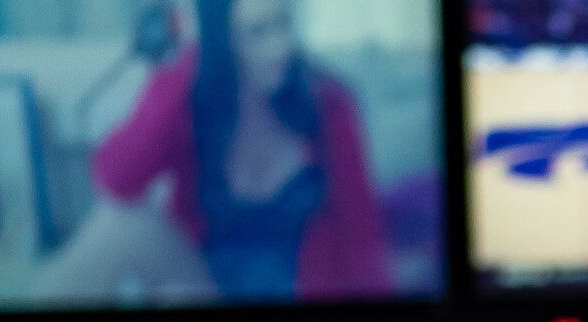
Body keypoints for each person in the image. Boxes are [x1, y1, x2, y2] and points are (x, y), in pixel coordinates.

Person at [35, 0, 390, 305]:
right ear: (222, 39)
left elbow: (361, 235)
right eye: (257, 31)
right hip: (207, 288)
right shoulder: (193, 96)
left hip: (296, 297)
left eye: (284, 23)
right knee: (118, 224)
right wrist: (183, 72)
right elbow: (116, 180)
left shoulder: (330, 103)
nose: (279, 47)